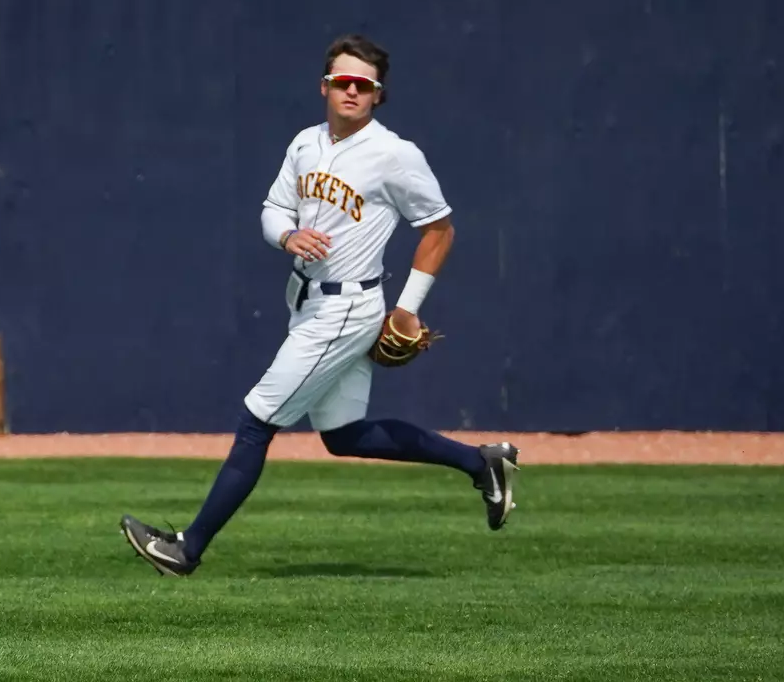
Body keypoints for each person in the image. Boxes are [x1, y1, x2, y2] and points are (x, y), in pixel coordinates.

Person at [120, 34, 520, 576]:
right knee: (343, 435)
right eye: (342, 82)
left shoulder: (395, 155)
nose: (351, 91)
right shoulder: (305, 143)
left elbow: (440, 230)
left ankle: (186, 549)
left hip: (346, 310)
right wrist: (287, 237)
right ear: (324, 87)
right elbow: (272, 209)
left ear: (378, 95)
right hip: (308, 302)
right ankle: (481, 464)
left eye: (364, 85)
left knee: (257, 418)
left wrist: (406, 308)